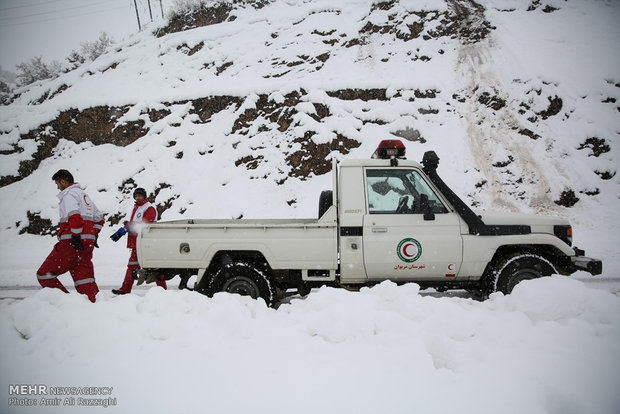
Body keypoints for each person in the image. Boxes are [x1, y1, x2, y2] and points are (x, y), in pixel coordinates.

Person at [36, 169, 103, 303]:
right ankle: (95, 306)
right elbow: (99, 218)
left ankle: (67, 304)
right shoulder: (84, 196)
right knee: (84, 280)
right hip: (86, 245)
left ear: (63, 181)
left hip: (71, 244)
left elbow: (75, 217)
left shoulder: (69, 195)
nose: (58, 188)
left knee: (44, 274)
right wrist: (92, 236)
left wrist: (76, 236)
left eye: (57, 184)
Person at [110, 187, 167, 294]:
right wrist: (122, 230)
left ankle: (163, 291)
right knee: (132, 266)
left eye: (140, 195)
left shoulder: (149, 208)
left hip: (146, 243)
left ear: (144, 196)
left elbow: (144, 225)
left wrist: (126, 229)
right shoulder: (137, 208)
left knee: (154, 267)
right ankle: (125, 289)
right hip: (137, 243)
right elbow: (133, 223)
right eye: (136, 196)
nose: (138, 197)